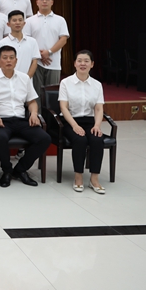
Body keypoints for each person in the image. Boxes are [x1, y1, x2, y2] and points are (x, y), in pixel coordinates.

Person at [0, 45, 51, 187]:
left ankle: (20, 169)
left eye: (11, 58)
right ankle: (7, 171)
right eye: (5, 58)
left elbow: (31, 101)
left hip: (21, 119)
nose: (8, 61)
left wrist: (34, 113)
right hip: (1, 120)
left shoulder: (24, 78)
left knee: (44, 138)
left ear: (16, 60)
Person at [59, 50, 107, 194]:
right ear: (74, 63)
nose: (82, 64)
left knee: (97, 139)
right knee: (79, 140)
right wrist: (74, 125)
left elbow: (99, 108)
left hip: (90, 121)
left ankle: (94, 179)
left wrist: (97, 125)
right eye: (79, 61)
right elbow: (63, 107)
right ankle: (78, 177)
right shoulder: (66, 83)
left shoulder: (97, 85)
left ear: (92, 64)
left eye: (86, 61)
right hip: (70, 121)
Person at [24, 0, 70, 106]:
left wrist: (48, 52)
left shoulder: (60, 20)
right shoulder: (29, 21)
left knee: (52, 93)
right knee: (35, 93)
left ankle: (51, 117)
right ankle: (37, 116)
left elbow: (63, 39)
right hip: (35, 63)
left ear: (52, 2)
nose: (44, 1)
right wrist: (39, 54)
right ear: (37, 2)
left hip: (53, 63)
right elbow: (27, 41)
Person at [0, 10, 40, 77]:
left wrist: (26, 79)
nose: (17, 23)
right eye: (14, 20)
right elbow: (1, 64)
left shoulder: (32, 41)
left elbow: (34, 62)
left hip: (27, 80)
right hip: (8, 80)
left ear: (24, 23)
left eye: (20, 20)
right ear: (8, 24)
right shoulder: (2, 43)